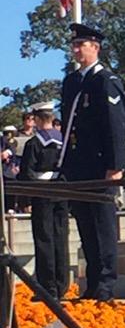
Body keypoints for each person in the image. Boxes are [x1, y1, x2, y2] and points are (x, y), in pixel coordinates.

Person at [60, 23, 125, 301]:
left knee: (102, 226)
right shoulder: (73, 82)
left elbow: (115, 126)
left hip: (101, 166)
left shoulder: (105, 80)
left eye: (82, 45)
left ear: (95, 48)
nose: (77, 50)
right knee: (86, 225)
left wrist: (115, 165)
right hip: (79, 166)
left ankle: (105, 284)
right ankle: (92, 283)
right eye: (74, 46)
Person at [18, 101, 69, 300]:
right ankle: (61, 284)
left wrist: (25, 198)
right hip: (63, 192)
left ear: (38, 120)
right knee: (60, 238)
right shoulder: (64, 141)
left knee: (44, 239)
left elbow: (26, 173)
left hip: (42, 192)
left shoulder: (34, 144)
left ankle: (48, 287)